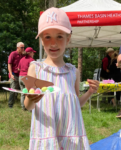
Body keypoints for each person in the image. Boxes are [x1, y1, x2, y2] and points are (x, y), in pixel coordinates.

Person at [24, 7, 99, 149]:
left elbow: (76, 103)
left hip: (71, 136)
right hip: (46, 136)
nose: (53, 43)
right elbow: (28, 107)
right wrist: (30, 98)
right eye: (47, 37)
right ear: (41, 40)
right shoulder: (35, 69)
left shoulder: (73, 72)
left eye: (59, 36)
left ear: (68, 38)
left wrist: (89, 92)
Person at [8, 42, 25, 108]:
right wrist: (11, 74)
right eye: (22, 47)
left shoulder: (23, 55)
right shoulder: (13, 54)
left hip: (21, 74)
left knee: (22, 90)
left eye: (24, 47)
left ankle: (23, 105)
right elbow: (9, 64)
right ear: (17, 48)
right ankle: (10, 104)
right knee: (13, 90)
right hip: (14, 74)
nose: (23, 49)